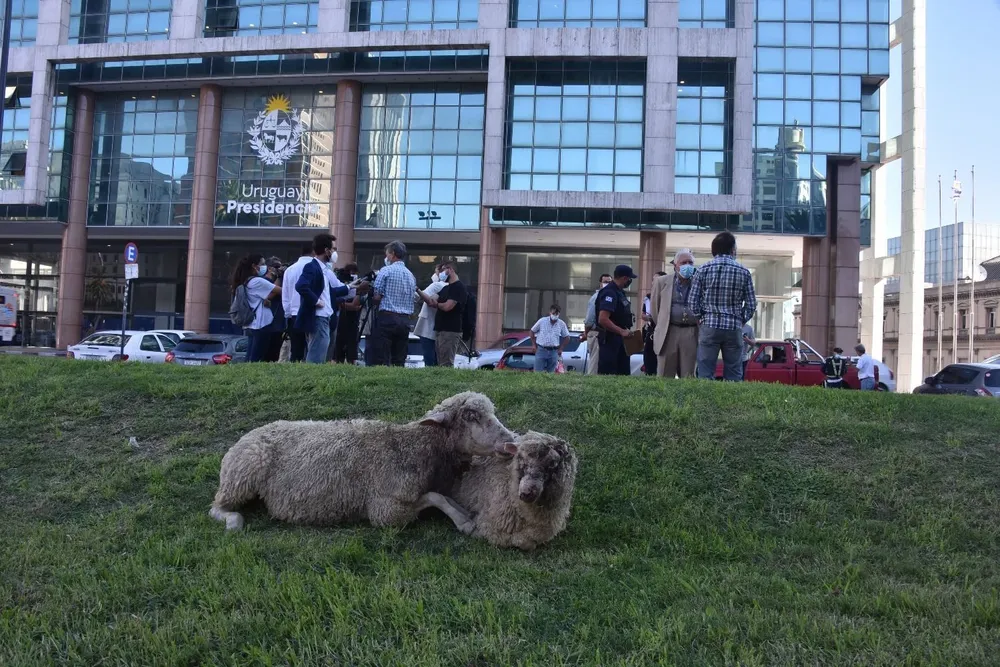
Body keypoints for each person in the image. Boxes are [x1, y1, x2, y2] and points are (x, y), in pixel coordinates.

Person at [689, 231, 756, 382]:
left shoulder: (702, 270)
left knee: (705, 372)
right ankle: (732, 403)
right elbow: (751, 304)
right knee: (734, 372)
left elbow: (693, 301)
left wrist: (701, 318)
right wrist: (741, 320)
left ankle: (704, 403)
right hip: (733, 327)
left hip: (709, 325)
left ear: (714, 250)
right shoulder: (744, 271)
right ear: (732, 249)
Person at [294, 233, 349, 364]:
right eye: (333, 249)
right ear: (326, 250)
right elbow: (301, 286)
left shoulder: (322, 269)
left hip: (325, 317)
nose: (335, 252)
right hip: (318, 317)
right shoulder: (312, 267)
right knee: (316, 357)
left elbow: (330, 292)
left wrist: (350, 288)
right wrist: (317, 302)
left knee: (320, 355)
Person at [649, 249, 699, 379]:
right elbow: (655, 310)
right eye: (684, 262)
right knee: (664, 374)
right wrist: (663, 323)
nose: (687, 265)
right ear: (675, 265)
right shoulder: (661, 282)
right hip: (668, 331)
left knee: (688, 375)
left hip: (690, 331)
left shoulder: (699, 282)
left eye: (690, 262)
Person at [372, 240, 417, 366]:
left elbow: (377, 295)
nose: (386, 257)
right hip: (404, 320)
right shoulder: (410, 275)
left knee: (382, 357)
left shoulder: (385, 271)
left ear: (392, 254)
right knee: (399, 358)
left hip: (387, 318)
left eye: (387, 254)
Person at [230, 253, 280, 362]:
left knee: (251, 357)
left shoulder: (246, 281)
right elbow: (280, 290)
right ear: (254, 266)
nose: (264, 267)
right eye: (262, 264)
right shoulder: (256, 281)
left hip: (252, 324)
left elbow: (261, 297)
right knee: (258, 358)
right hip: (261, 324)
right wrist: (280, 276)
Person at [418, 261, 467, 368]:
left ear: (450, 270)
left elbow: (448, 306)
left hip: (450, 330)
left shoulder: (458, 287)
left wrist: (437, 304)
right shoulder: (445, 288)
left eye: (443, 270)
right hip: (441, 330)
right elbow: (431, 300)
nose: (440, 273)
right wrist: (417, 290)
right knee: (440, 363)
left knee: (446, 363)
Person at [596, 265, 638, 376]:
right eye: (630, 279)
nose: (630, 281)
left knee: (622, 374)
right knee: (609, 374)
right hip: (610, 340)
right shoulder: (609, 292)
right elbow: (603, 319)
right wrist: (621, 331)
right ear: (624, 278)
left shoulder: (619, 292)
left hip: (621, 340)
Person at [280, 243, 314, 362]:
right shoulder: (317, 267)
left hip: (294, 314)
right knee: (312, 348)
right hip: (313, 312)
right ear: (314, 252)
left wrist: (288, 314)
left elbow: (285, 294)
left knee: (296, 350)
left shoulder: (290, 269)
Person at [413, 263, 446, 366]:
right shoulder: (450, 286)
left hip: (427, 327)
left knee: (429, 357)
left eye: (436, 272)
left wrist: (414, 288)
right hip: (439, 327)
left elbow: (418, 297)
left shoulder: (436, 285)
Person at [332, 264, 362, 364]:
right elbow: (337, 301)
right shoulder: (339, 285)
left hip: (353, 324)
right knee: (337, 354)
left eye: (354, 274)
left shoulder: (359, 289)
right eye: (351, 273)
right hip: (340, 323)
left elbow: (355, 305)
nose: (353, 276)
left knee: (351, 355)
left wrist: (357, 290)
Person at [583, 274, 612, 375]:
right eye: (605, 282)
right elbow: (589, 320)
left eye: (609, 282)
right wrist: (586, 333)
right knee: (595, 363)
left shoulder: (609, 296)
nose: (607, 284)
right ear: (600, 284)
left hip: (603, 334)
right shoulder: (596, 297)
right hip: (595, 332)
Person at [641, 271, 668, 376]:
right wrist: (649, 317)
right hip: (651, 331)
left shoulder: (668, 296)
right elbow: (643, 314)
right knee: (649, 359)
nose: (654, 282)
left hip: (664, 331)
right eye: (653, 280)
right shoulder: (648, 297)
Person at [530, 304, 570, 373]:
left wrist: (561, 348)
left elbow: (567, 337)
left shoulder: (561, 324)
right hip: (541, 349)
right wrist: (533, 345)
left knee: (551, 373)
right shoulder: (542, 321)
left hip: (553, 351)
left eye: (557, 314)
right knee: (537, 372)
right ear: (550, 312)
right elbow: (532, 331)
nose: (555, 315)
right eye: (554, 313)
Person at [264, 257, 286, 362]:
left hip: (279, 323)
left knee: (275, 354)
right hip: (267, 323)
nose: (279, 269)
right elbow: (271, 294)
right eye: (276, 267)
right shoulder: (264, 280)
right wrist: (278, 277)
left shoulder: (281, 280)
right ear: (269, 268)